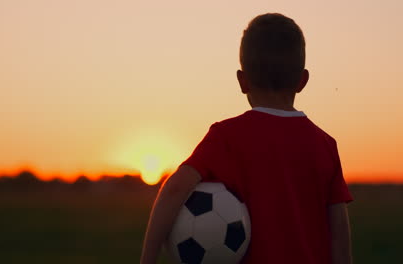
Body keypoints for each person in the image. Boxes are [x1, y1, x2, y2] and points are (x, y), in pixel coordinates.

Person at [140, 13, 353, 264]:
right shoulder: (325, 145)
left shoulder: (225, 137)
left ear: (242, 81)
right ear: (302, 81)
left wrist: (148, 259)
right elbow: (339, 231)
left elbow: (175, 188)